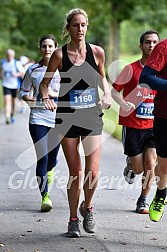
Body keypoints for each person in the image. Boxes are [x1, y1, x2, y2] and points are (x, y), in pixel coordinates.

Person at [39, 8, 111, 237]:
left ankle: (87, 207)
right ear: (68, 28)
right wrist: (45, 97)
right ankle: (72, 220)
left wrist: (107, 94)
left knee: (93, 172)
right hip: (67, 118)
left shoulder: (97, 52)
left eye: (83, 25)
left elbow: (103, 80)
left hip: (91, 117)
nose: (80, 29)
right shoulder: (59, 56)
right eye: (75, 25)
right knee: (76, 173)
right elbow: (44, 84)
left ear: (87, 26)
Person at [111, 30, 160, 214]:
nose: (152, 45)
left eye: (155, 42)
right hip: (132, 126)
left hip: (154, 126)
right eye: (148, 42)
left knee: (151, 162)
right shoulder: (131, 69)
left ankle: (143, 200)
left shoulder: (161, 71)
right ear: (141, 46)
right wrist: (123, 103)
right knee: (139, 168)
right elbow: (115, 91)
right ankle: (131, 165)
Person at [20, 35, 60, 212]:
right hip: (38, 118)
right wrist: (28, 99)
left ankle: (49, 171)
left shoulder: (63, 68)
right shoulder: (33, 69)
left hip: (58, 119)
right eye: (44, 46)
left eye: (50, 46)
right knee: (42, 156)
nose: (47, 49)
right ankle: (45, 196)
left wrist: (53, 93)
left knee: (52, 159)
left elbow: (71, 91)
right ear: (40, 48)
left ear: (55, 48)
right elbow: (24, 90)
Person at [139, 38, 167, 222]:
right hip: (165, 115)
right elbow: (145, 78)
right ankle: (161, 193)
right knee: (164, 166)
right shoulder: (164, 47)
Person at [0, 49, 25, 124]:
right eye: (8, 55)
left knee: (13, 102)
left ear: (13, 56)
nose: (9, 57)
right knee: (7, 101)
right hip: (6, 84)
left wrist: (16, 74)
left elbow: (23, 72)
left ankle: (12, 115)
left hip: (15, 85)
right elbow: (0, 70)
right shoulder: (3, 62)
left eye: (10, 56)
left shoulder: (16, 63)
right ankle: (7, 117)